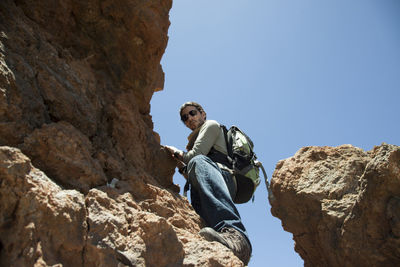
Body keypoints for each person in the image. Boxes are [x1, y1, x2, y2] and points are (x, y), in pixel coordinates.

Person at [165, 101, 252, 265]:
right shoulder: (194, 139)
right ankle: (222, 244)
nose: (189, 118)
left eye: (192, 113)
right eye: (184, 117)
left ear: (202, 114)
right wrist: (182, 168)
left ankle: (237, 237)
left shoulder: (211, 125)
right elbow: (197, 173)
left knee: (197, 160)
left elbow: (195, 157)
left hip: (226, 178)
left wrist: (176, 152)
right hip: (211, 183)